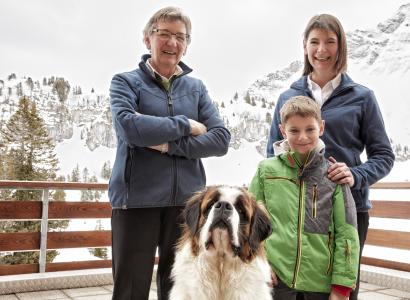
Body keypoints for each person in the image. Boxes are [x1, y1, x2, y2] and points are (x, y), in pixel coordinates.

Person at [266, 14, 395, 300]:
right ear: (304, 46)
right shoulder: (288, 96)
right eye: (314, 42)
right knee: (290, 290)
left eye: (330, 42)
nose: (321, 50)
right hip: (295, 212)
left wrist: (356, 175)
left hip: (347, 210)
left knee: (340, 290)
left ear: (341, 47)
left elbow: (383, 155)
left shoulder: (362, 97)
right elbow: (271, 153)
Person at [108, 6, 230, 300]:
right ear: (147, 38)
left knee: (181, 288)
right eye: (164, 34)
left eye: (180, 37)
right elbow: (129, 127)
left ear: (187, 44)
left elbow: (220, 140)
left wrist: (167, 145)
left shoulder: (196, 88)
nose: (172, 43)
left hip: (186, 205)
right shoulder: (125, 82)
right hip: (136, 201)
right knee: (130, 289)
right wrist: (186, 124)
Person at [249, 96, 359, 300]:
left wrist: (342, 287)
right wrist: (260, 263)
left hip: (319, 285)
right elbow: (250, 223)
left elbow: (347, 233)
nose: (302, 137)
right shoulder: (267, 171)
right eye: (294, 130)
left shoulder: (334, 176)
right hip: (274, 282)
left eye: (310, 129)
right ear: (282, 130)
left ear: (322, 127)